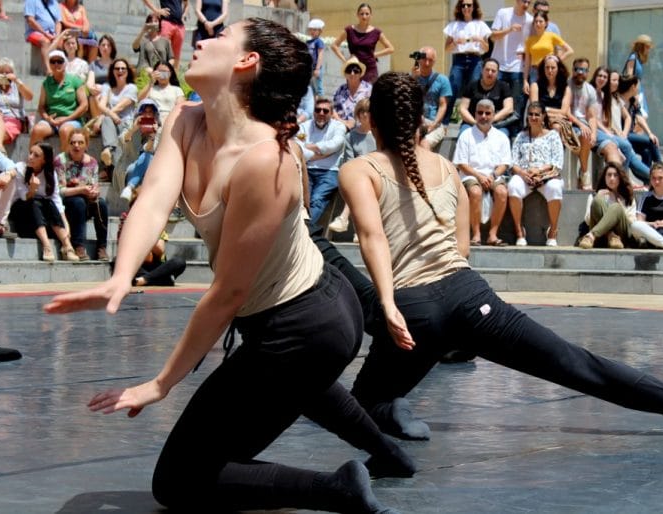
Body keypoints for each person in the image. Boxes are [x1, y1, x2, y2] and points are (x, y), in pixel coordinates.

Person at [44, 20, 410, 513]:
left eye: (217, 37)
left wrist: (160, 383)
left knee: (178, 480)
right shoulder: (186, 118)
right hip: (287, 318)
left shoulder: (266, 161)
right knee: (300, 385)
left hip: (309, 320)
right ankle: (387, 452)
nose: (200, 41)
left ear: (246, 62)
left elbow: (227, 294)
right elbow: (153, 200)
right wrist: (119, 275)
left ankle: (340, 488)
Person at [336, 70, 663, 444]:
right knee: (575, 363)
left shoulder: (358, 169)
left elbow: (372, 237)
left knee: (360, 403)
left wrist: (387, 305)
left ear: (372, 121)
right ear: (420, 119)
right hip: (470, 298)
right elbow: (461, 251)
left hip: (412, 309)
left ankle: (389, 410)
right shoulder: (445, 167)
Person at [453, 99, 510, 246]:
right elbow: (461, 163)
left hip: (494, 175)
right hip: (471, 175)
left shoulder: (501, 137)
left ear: (493, 115)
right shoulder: (466, 135)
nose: (483, 116)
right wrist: (479, 176)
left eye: (487, 113)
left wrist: (492, 176)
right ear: (475, 114)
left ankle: (492, 235)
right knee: (476, 192)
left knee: (502, 192)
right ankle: (476, 235)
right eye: (480, 113)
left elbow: (504, 164)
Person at [10, 143, 79, 262]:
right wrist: (32, 189)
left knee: (48, 202)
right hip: (21, 211)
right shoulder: (20, 168)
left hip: (41, 215)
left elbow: (56, 199)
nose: (30, 157)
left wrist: (65, 223)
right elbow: (24, 197)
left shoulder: (51, 174)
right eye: (30, 153)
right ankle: (47, 246)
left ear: (44, 160)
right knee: (35, 201)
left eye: (36, 155)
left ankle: (67, 245)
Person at [508, 101, 563, 246]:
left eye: (537, 114)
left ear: (543, 116)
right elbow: (513, 162)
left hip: (546, 176)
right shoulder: (521, 136)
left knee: (556, 188)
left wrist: (539, 171)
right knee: (513, 185)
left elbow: (556, 162)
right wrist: (523, 173)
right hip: (525, 175)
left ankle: (552, 232)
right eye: (531, 114)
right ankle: (520, 232)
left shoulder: (553, 136)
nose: (533, 117)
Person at [565, 57, 621, 190]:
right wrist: (581, 125)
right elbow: (566, 112)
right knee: (585, 135)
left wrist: (594, 133)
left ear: (588, 72)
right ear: (573, 70)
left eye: (583, 70)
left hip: (586, 126)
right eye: (577, 69)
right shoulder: (567, 85)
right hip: (570, 123)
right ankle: (584, 173)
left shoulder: (590, 90)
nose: (580, 72)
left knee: (607, 144)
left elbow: (591, 116)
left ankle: (614, 186)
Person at [55, 128, 109, 261]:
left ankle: (102, 247)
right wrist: (81, 190)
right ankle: (78, 245)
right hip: (67, 203)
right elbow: (60, 191)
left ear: (86, 144)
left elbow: (94, 185)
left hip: (86, 200)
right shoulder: (60, 160)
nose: (76, 146)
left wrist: (93, 192)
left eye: (80, 142)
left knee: (101, 203)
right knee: (78, 201)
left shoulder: (92, 162)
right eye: (73, 143)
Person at [591, 67, 650, 184]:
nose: (616, 83)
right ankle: (629, 180)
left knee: (646, 151)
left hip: (620, 136)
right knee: (637, 155)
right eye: (613, 80)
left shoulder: (615, 97)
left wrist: (624, 133)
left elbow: (627, 117)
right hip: (610, 135)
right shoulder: (603, 96)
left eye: (617, 80)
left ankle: (653, 179)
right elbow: (602, 120)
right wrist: (614, 133)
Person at [328, 98, 375, 235]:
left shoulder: (379, 133)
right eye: (361, 111)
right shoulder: (351, 136)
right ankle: (357, 228)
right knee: (359, 184)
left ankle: (344, 218)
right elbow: (350, 160)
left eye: (367, 111)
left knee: (360, 185)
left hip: (376, 171)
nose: (364, 115)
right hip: (359, 173)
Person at [443, 0, 489, 135]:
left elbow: (486, 48)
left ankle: (469, 121)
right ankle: (445, 122)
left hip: (475, 59)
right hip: (459, 59)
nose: (466, 8)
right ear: (460, 7)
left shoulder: (480, 25)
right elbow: (446, 48)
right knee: (452, 88)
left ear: (474, 7)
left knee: (473, 90)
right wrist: (455, 42)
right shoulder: (454, 25)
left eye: (469, 5)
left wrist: (480, 40)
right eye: (463, 5)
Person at [298, 97, 347, 224]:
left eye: (325, 111)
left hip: (329, 171)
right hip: (307, 169)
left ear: (331, 113)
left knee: (317, 200)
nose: (321, 113)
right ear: (313, 111)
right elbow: (298, 148)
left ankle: (306, 231)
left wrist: (310, 147)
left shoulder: (339, 126)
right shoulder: (304, 126)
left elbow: (336, 144)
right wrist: (323, 153)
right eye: (318, 110)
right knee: (301, 201)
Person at [30, 50, 87, 154]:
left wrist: (67, 118)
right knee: (37, 130)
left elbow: (84, 105)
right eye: (53, 61)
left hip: (71, 120)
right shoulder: (46, 83)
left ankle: (63, 166)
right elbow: (41, 106)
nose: (56, 64)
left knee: (65, 131)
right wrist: (48, 118)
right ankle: (33, 164)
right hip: (52, 121)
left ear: (65, 63)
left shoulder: (75, 81)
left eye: (59, 61)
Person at [489, 0, 533, 132]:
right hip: (499, 66)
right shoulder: (503, 13)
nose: (526, 4)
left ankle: (513, 138)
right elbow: (492, 36)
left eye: (529, 2)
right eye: (524, 1)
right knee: (496, 103)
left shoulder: (530, 20)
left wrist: (525, 54)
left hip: (518, 68)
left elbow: (530, 46)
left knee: (516, 110)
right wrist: (509, 29)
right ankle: (495, 130)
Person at [0, 57, 34, 155]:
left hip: (13, 119)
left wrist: (17, 81)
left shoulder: (17, 85)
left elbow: (29, 97)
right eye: (1, 72)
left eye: (8, 72)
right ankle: (0, 147)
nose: (5, 75)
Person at [578, 162, 637, 249]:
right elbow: (587, 220)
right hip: (601, 238)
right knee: (597, 201)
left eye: (615, 175)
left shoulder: (628, 198)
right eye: (609, 175)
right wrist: (597, 197)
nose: (612, 178)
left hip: (621, 237)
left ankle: (591, 235)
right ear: (604, 177)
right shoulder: (595, 196)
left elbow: (632, 222)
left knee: (616, 207)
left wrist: (621, 209)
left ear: (620, 178)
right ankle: (611, 236)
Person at [330, 3, 394, 83]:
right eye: (362, 14)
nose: (364, 16)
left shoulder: (376, 32)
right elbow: (334, 45)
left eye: (367, 14)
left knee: (370, 94)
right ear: (357, 15)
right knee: (354, 94)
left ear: (371, 15)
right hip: (354, 70)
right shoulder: (349, 30)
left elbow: (391, 48)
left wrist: (375, 54)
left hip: (370, 70)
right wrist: (345, 61)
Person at [98, 58, 139, 179]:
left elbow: (121, 107)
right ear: (112, 71)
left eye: (123, 68)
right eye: (117, 68)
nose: (120, 70)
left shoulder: (132, 88)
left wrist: (108, 114)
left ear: (127, 71)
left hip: (125, 123)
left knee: (106, 119)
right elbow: (101, 105)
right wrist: (110, 116)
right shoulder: (107, 87)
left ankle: (109, 167)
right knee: (107, 120)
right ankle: (109, 151)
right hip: (111, 122)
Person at [529, 54, 579, 152]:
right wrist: (550, 113)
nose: (550, 70)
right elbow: (534, 108)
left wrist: (545, 110)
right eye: (547, 67)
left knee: (556, 127)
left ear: (558, 69)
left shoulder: (566, 88)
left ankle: (555, 158)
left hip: (558, 121)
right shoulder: (535, 85)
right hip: (539, 119)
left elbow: (564, 111)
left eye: (553, 68)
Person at [458, 57, 515, 136]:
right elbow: (462, 108)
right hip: (472, 123)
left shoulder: (504, 87)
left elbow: (509, 108)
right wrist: (476, 123)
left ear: (498, 73)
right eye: (487, 70)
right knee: (463, 134)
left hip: (497, 124)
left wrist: (491, 120)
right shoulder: (472, 85)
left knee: (503, 135)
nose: (490, 73)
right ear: (482, 70)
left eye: (493, 71)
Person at [617, 74, 661, 169]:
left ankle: (647, 182)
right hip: (622, 134)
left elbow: (639, 117)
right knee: (651, 142)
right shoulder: (618, 100)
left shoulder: (633, 101)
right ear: (633, 86)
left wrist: (649, 133)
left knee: (647, 152)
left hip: (632, 134)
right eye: (638, 86)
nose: (639, 89)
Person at [120, 99, 161, 200]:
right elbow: (122, 141)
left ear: (155, 114)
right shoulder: (132, 125)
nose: (147, 115)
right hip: (130, 162)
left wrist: (153, 136)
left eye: (150, 112)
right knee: (131, 169)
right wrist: (134, 129)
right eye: (144, 112)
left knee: (146, 156)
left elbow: (148, 149)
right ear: (139, 113)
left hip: (152, 164)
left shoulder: (159, 130)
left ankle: (130, 187)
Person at [413, 46, 452, 150]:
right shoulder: (411, 78)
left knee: (424, 144)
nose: (427, 63)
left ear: (434, 62)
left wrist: (433, 125)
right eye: (424, 59)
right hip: (416, 121)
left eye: (430, 60)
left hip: (434, 122)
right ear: (418, 59)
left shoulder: (443, 80)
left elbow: (443, 105)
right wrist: (413, 79)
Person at [522, 10, 572, 91]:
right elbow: (527, 61)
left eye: (541, 21)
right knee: (534, 99)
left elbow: (569, 50)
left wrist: (556, 61)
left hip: (549, 71)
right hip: (534, 72)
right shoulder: (529, 40)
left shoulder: (552, 36)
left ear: (546, 23)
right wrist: (525, 80)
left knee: (547, 96)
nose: (538, 24)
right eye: (536, 21)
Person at [137, 60, 185, 127]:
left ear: (170, 73)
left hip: (170, 122)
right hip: (152, 123)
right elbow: (139, 100)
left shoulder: (177, 90)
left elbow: (180, 108)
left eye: (165, 72)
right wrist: (151, 82)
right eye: (159, 72)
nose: (162, 74)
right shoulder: (151, 88)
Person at [141, 0, 188, 67]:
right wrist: (156, 10)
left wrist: (184, 15)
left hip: (179, 26)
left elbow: (187, 4)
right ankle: (158, 74)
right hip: (166, 22)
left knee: (176, 56)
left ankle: (174, 76)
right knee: (162, 52)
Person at [333, 56, 372, 131]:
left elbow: (373, 111)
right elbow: (334, 111)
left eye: (356, 71)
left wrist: (355, 123)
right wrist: (344, 122)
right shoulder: (340, 90)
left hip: (363, 129)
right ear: (345, 74)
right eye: (349, 71)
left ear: (360, 73)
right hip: (342, 128)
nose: (352, 73)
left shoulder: (369, 90)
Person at [24, 0, 62, 75]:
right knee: (45, 41)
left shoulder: (54, 2)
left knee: (65, 42)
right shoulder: (31, 1)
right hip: (34, 32)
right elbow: (30, 20)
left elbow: (58, 22)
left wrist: (57, 36)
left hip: (52, 33)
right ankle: (48, 69)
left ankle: (62, 70)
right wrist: (45, 33)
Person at [622, 34, 653, 117]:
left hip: (639, 89)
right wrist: (634, 94)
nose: (649, 49)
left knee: (643, 115)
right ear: (641, 46)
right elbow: (629, 76)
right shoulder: (633, 57)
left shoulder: (639, 59)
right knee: (641, 115)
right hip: (634, 90)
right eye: (647, 46)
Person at [306, 18, 326, 96]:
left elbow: (320, 55)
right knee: (311, 89)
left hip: (316, 69)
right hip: (310, 69)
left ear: (320, 31)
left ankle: (322, 104)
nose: (312, 32)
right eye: (311, 29)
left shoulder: (319, 42)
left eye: (315, 30)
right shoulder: (308, 42)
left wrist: (317, 69)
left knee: (319, 88)